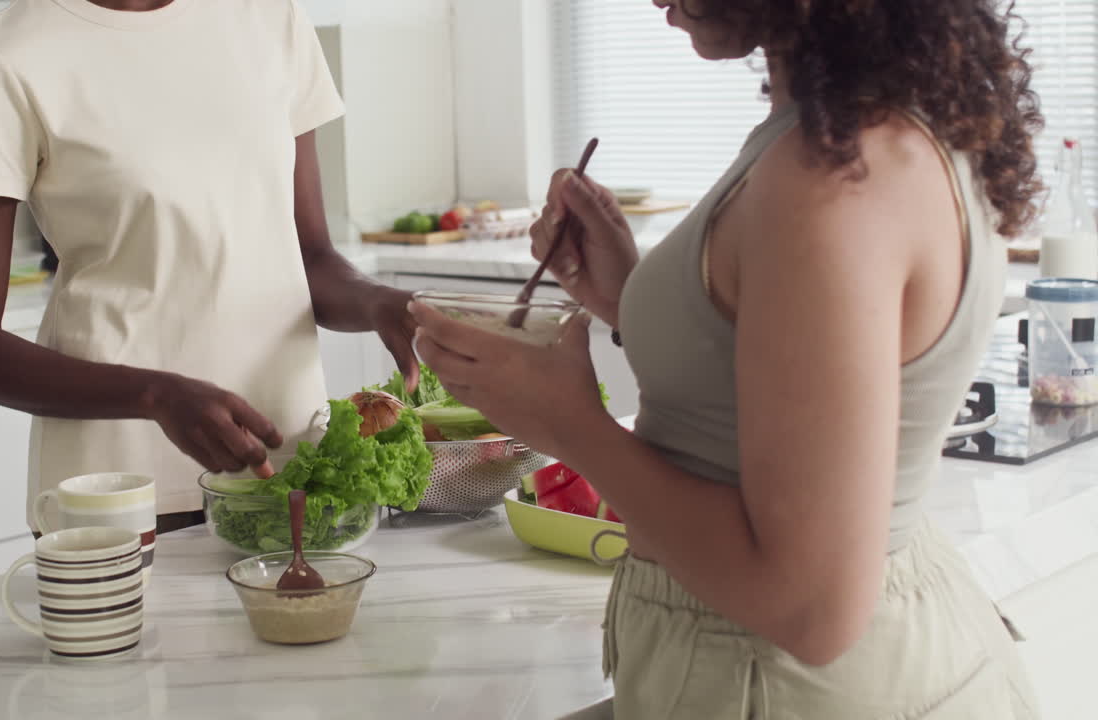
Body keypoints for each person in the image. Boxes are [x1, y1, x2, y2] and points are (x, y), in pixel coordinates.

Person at [411, 0, 1043, 716]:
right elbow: (783, 367)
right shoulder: (882, 124)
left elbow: (809, 609)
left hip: (793, 684)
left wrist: (569, 425)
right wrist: (638, 300)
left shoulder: (831, 180)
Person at [0, 0, 418, 535]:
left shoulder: (270, 20)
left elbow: (309, 256)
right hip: (117, 488)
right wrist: (157, 397)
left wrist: (379, 303)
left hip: (283, 470)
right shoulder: (11, 56)